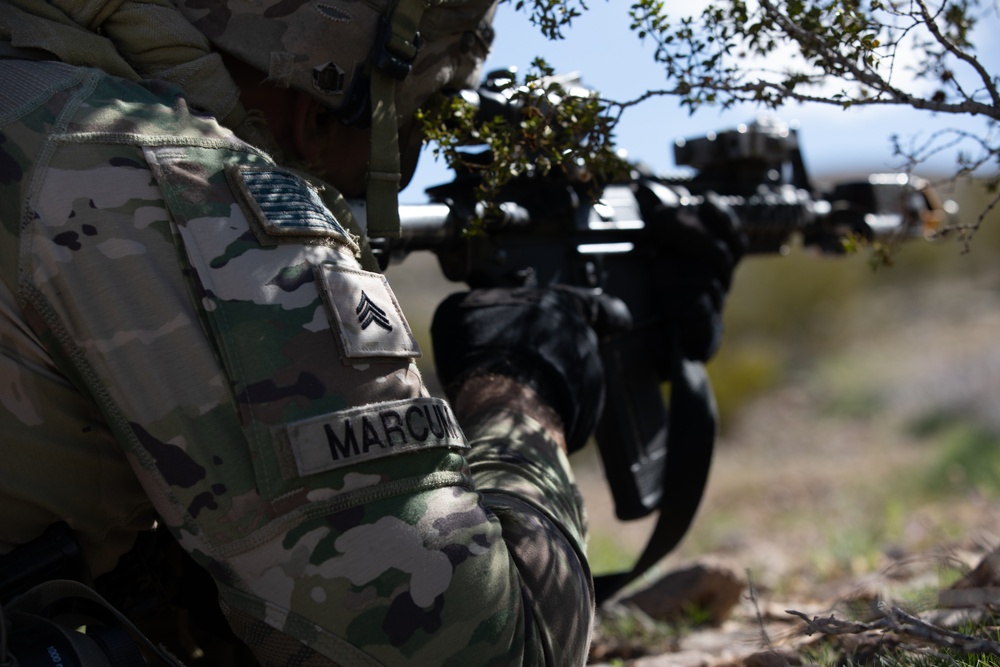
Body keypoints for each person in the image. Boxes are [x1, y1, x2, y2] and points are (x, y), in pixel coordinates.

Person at [0, 1, 743, 665]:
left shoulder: (36, 96)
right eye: (414, 124)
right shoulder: (172, 179)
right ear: (320, 106)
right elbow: (472, 654)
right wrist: (524, 383)